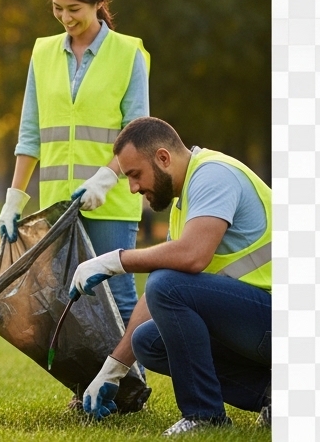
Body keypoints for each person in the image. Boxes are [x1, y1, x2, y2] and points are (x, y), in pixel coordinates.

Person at [70, 117, 271, 435]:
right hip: (257, 326)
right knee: (147, 341)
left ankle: (204, 416)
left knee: (166, 283)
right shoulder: (184, 204)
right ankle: (273, 396)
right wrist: (113, 370)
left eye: (135, 175)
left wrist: (114, 261)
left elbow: (192, 256)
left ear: (163, 157)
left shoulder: (213, 175)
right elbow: (155, 299)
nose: (134, 188)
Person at [0, 0, 150, 325]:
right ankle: (89, 384)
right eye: (57, 8)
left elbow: (138, 131)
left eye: (74, 9)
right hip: (58, 204)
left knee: (116, 293)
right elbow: (31, 133)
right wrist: (14, 199)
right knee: (71, 300)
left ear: (98, 2)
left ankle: (131, 379)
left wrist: (107, 177)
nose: (65, 17)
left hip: (110, 201)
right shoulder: (43, 53)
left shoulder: (128, 54)